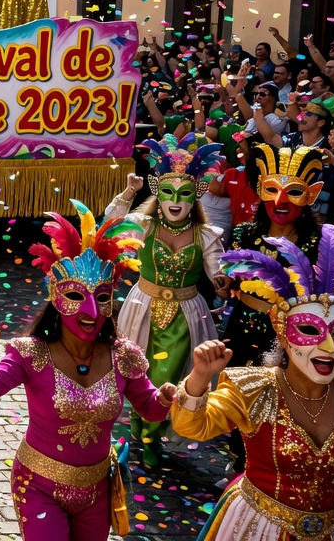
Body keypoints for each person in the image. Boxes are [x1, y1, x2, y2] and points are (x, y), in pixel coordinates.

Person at [180, 228, 334, 541]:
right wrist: (199, 377)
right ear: (283, 334)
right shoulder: (254, 389)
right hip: (255, 527)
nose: (329, 347)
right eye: (310, 329)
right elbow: (192, 428)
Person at [0, 205, 174, 541]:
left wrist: (172, 394)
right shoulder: (31, 354)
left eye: (102, 297)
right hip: (38, 486)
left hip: (97, 489)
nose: (91, 310)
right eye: (77, 295)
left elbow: (151, 408)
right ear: (56, 298)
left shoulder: (123, 356)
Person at [105, 135, 225, 467]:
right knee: (135, 370)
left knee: (166, 377)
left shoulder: (207, 234)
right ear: (158, 192)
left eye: (184, 194)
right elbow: (109, 226)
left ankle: (152, 438)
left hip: (186, 318)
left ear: (196, 196)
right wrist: (129, 193)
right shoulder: (144, 225)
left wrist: (224, 281)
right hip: (142, 308)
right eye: (168, 193)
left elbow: (218, 271)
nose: (175, 201)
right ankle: (138, 429)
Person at [223, 144, 324, 470]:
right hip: (242, 323)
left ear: (311, 195)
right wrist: (226, 284)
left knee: (280, 401)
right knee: (239, 394)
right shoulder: (243, 233)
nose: (280, 202)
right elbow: (231, 277)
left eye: (293, 192)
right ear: (261, 193)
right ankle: (240, 464)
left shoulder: (318, 242)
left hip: (289, 334)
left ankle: (268, 467)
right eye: (272, 191)